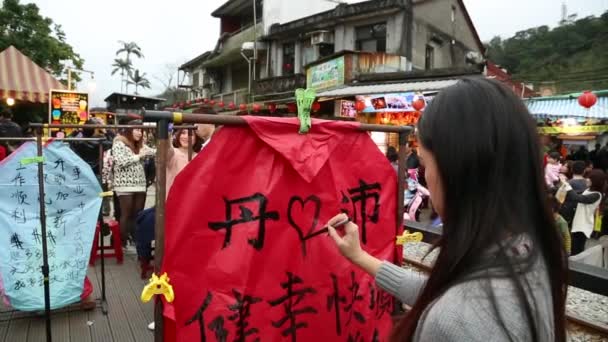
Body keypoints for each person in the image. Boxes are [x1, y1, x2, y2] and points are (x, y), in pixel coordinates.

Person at [326, 78, 566, 341]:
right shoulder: (529, 249)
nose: (426, 176)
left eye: (427, 163)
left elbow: (450, 308)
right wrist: (359, 256)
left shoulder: (455, 324)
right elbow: (438, 293)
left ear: (458, 172)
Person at [111, 120, 156, 252]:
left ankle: (136, 239)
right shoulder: (119, 142)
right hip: (124, 184)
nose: (140, 133)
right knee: (126, 214)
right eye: (137, 130)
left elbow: (154, 151)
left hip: (140, 184)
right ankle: (123, 242)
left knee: (138, 214)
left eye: (141, 131)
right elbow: (121, 161)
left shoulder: (141, 145)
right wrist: (139, 156)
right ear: (129, 130)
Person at [570, 169, 606, 255]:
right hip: (579, 223)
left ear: (596, 181)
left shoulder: (597, 194)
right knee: (575, 248)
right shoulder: (589, 190)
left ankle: (576, 267)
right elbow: (575, 194)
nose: (587, 179)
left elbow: (579, 198)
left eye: (590, 178)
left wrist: (567, 186)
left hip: (583, 226)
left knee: (577, 250)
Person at [559, 161, 590, 227]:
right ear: (584, 171)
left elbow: (560, 197)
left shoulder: (567, 183)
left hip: (567, 210)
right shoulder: (588, 183)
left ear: (572, 169)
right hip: (581, 211)